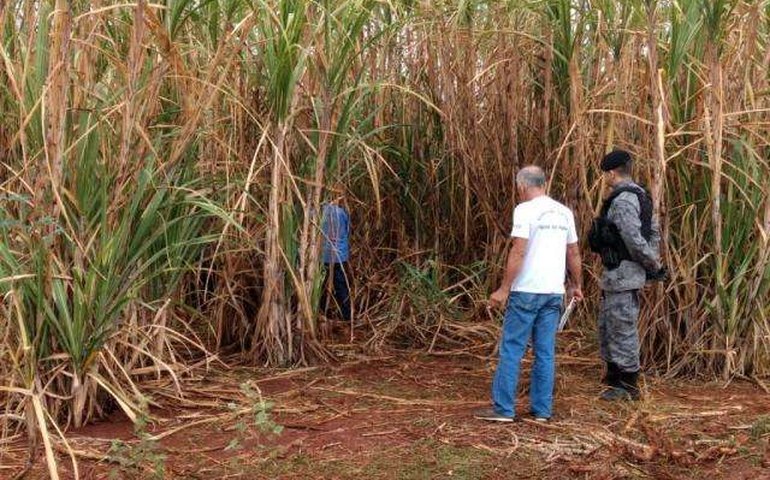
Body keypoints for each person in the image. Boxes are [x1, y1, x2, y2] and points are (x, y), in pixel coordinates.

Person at [474, 166, 583, 423]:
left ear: (522, 186)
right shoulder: (563, 212)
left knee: (512, 349)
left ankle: (503, 409)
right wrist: (576, 284)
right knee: (545, 352)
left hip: (526, 292)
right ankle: (542, 411)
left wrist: (504, 289)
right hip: (553, 292)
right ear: (543, 184)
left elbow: (519, 250)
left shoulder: (524, 210)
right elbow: (574, 252)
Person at [588, 149, 665, 401]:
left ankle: (627, 385)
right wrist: (652, 261)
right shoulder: (641, 195)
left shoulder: (622, 200)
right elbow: (653, 232)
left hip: (622, 273)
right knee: (609, 324)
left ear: (611, 173)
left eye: (605, 175)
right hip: (619, 275)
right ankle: (614, 377)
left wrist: (652, 264)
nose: (606, 179)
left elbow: (633, 238)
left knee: (621, 327)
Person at [320, 186, 351, 322]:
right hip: (340, 256)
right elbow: (347, 231)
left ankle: (321, 313)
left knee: (320, 286)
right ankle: (347, 316)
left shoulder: (316, 212)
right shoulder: (342, 213)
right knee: (341, 287)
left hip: (323, 257)